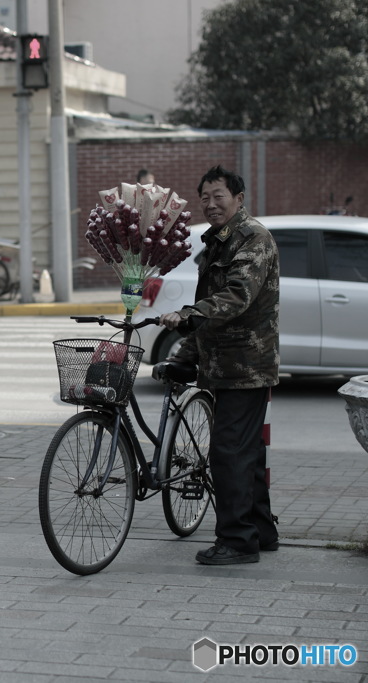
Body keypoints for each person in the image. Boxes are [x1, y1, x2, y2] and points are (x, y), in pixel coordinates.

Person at [159, 164, 280, 566]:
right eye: (205, 198)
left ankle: (237, 540)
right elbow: (208, 318)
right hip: (222, 365)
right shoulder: (215, 244)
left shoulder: (253, 239)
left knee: (228, 453)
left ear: (239, 199)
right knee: (246, 453)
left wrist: (190, 314)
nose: (211, 204)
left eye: (219, 196)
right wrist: (184, 357)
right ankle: (260, 531)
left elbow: (237, 296)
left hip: (246, 366)